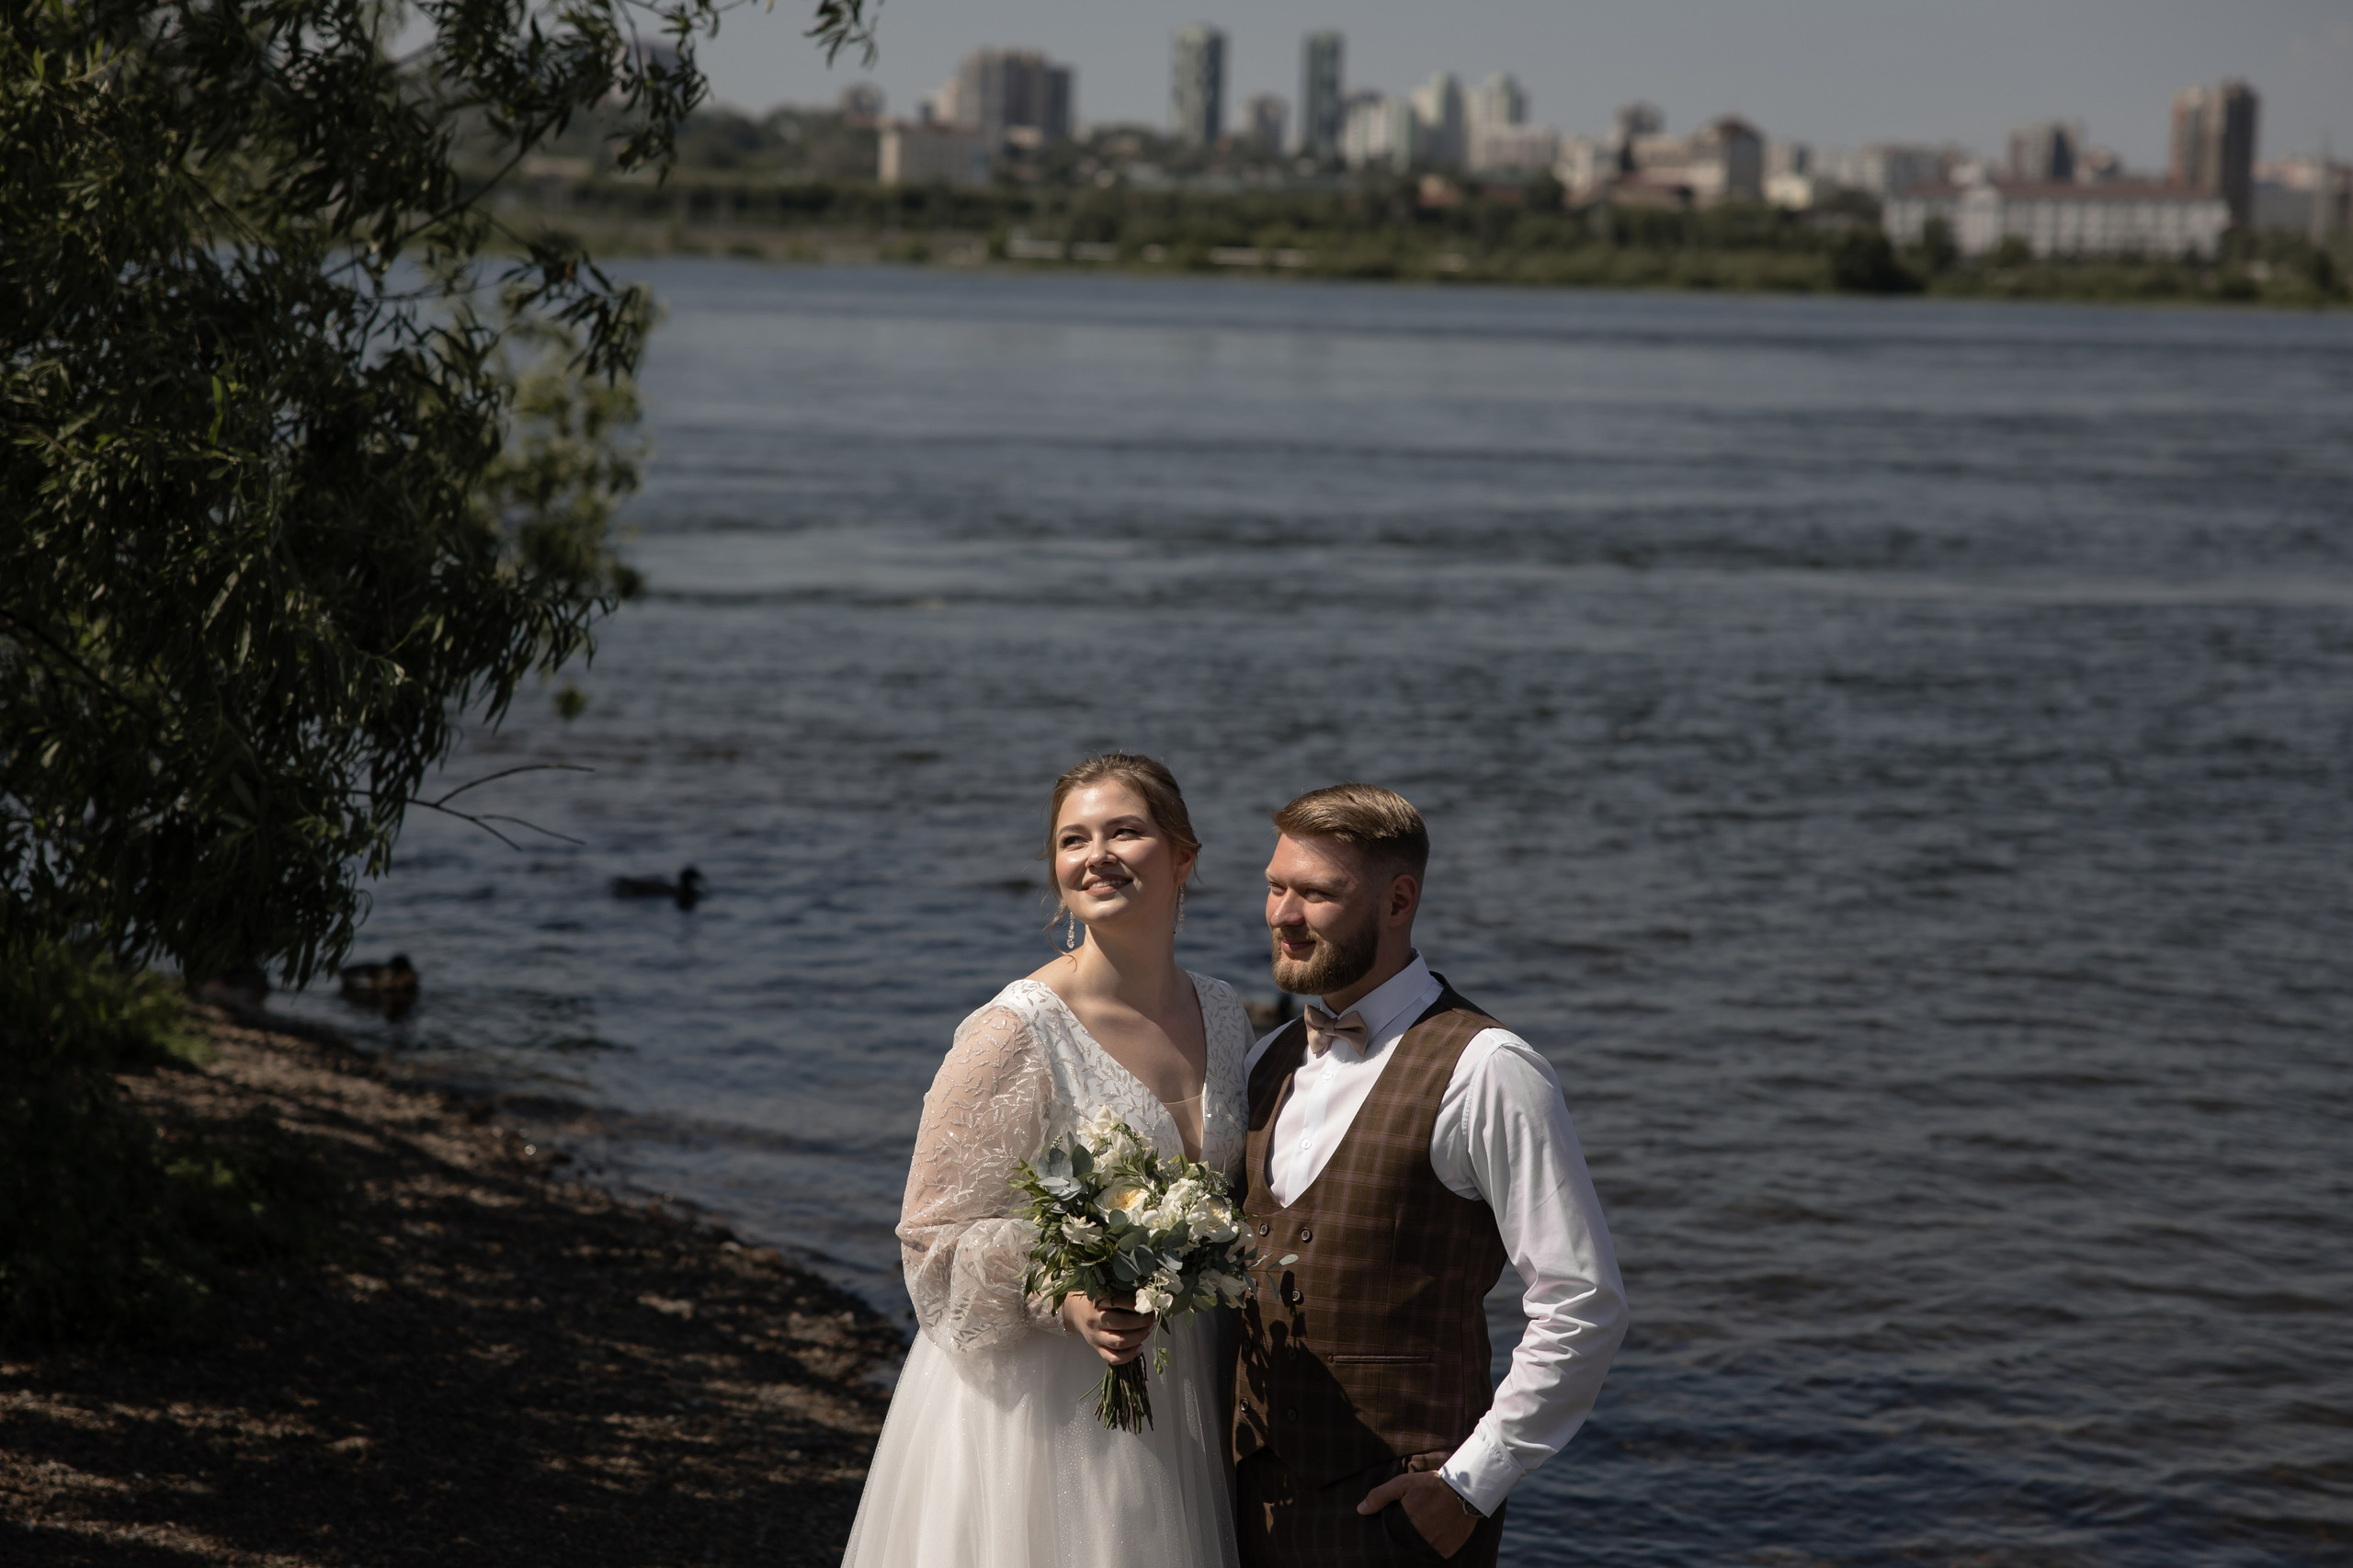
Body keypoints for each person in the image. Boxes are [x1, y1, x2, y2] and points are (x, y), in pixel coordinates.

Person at [842, 755, 1253, 1568]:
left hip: (1180, 1381)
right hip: (1039, 1410)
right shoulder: (1014, 1032)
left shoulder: (1226, 1014)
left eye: (1124, 831)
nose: (1095, 854)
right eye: (1074, 839)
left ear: (1184, 857)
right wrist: (1067, 1294)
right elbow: (931, 1241)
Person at [1232, 784, 1627, 1566]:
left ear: (1398, 900)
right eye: (1276, 886)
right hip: (1248, 1505)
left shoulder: (1488, 1069)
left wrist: (1468, 1487)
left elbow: (1583, 1302)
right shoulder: (1264, 1061)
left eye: (1316, 893)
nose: (1282, 915)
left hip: (1403, 1519)